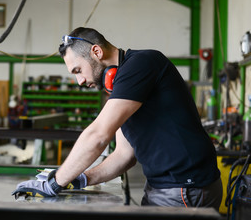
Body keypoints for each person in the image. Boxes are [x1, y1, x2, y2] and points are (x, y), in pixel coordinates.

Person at [12, 27, 223, 210]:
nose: (79, 81)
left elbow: (98, 135)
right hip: (166, 187)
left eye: (78, 70)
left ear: (96, 51)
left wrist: (55, 182)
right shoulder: (125, 88)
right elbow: (124, 154)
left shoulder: (142, 64)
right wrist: (82, 178)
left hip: (184, 189)